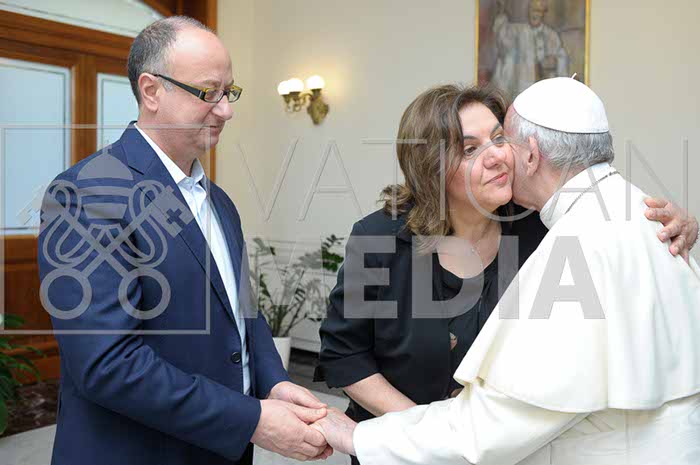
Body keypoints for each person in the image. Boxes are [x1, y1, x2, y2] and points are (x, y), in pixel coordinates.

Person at [312, 77, 700, 464]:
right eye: (469, 149)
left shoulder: (544, 232)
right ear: (432, 168)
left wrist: (674, 225)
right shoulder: (379, 238)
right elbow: (345, 354)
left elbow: (612, 228)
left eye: (500, 139)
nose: (496, 155)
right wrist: (416, 437)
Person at [38, 16, 331, 465]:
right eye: (208, 92)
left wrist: (273, 382)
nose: (226, 110)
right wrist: (251, 420)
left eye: (229, 92)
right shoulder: (88, 193)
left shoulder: (220, 202)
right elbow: (108, 365)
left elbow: (242, 312)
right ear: (152, 91)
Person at [492, 0, 570, 98]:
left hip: (545, 92)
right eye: (532, 10)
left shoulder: (552, 36)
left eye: (538, 11)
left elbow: (562, 58)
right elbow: (502, 41)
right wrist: (501, 13)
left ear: (544, 13)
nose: (534, 15)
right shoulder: (518, 31)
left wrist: (555, 61)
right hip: (522, 90)